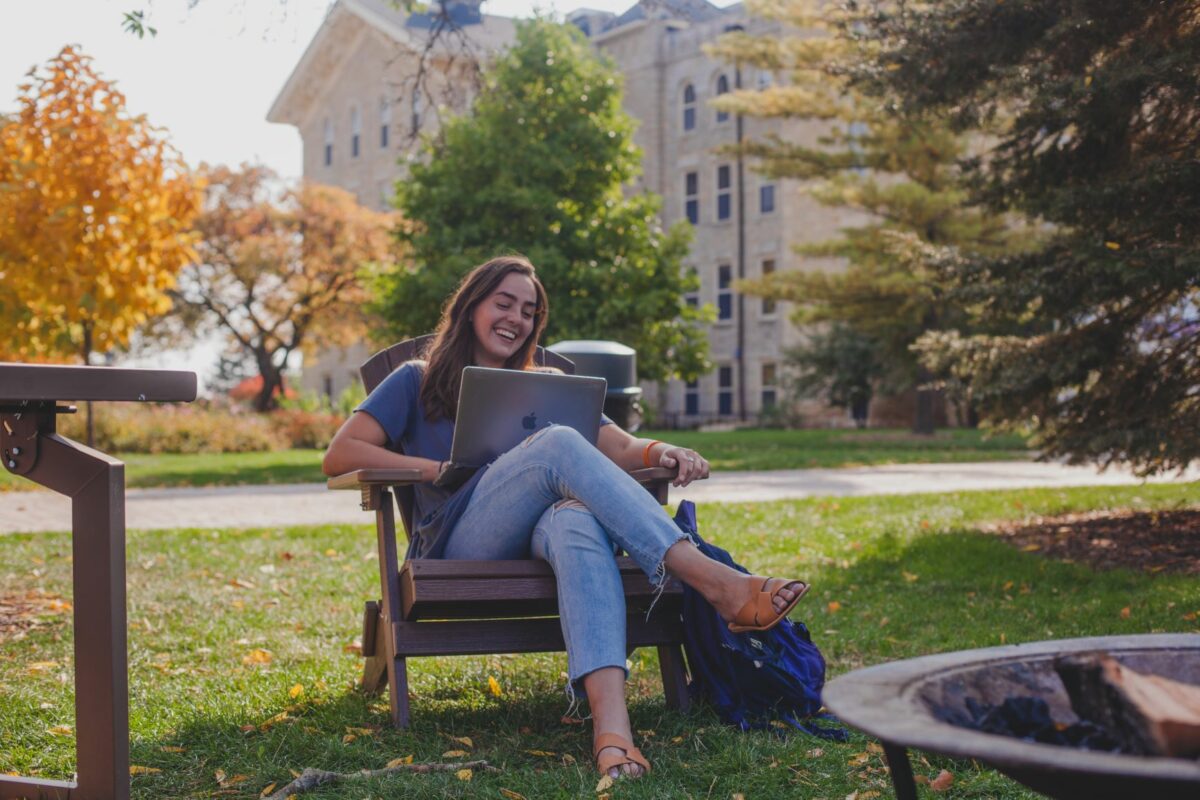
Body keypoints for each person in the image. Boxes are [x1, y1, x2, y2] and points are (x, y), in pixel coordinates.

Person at [323, 255, 810, 780]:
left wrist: (660, 449)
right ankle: (717, 584)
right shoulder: (415, 379)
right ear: (470, 308)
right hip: (455, 542)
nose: (516, 318)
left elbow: (619, 444)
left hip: (538, 537)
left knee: (575, 518)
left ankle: (612, 732)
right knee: (557, 441)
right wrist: (435, 468)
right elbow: (340, 454)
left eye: (529, 311)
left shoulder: (546, 385)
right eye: (503, 303)